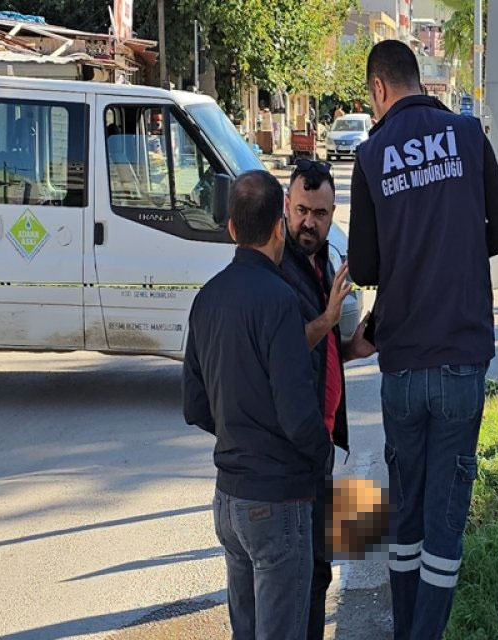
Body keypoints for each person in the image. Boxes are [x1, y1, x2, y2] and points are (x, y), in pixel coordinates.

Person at [349, 40, 498, 640]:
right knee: (446, 523)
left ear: (378, 89)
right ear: (419, 80)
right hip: (460, 362)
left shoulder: (370, 156)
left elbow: (366, 266)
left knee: (407, 515)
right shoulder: (469, 136)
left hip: (400, 366)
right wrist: (458, 248)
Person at [183, 170, 331, 640]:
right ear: (277, 228)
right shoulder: (280, 300)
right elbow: (296, 412)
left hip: (228, 501)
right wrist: (321, 454)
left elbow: (195, 405)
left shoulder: (206, 298)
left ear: (231, 228)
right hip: (278, 499)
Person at [276, 159, 377, 640]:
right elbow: (286, 348)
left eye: (319, 213)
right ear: (285, 206)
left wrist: (354, 344)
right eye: (301, 210)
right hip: (298, 444)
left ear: (333, 212)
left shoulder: (324, 262)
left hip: (323, 439)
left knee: (321, 566)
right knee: (303, 572)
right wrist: (330, 316)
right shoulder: (277, 268)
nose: (309, 223)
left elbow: (324, 349)